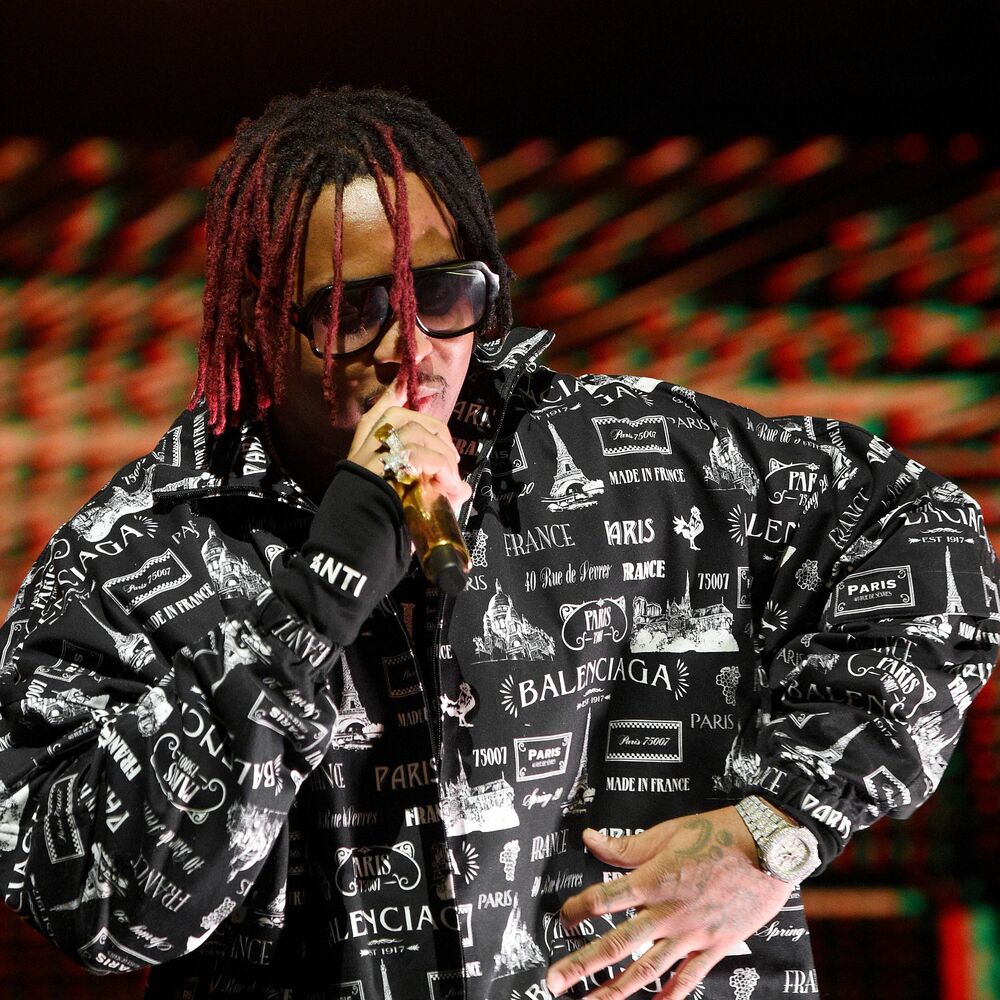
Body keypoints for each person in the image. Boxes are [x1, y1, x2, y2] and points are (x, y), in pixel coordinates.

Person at [0, 87, 996, 1000]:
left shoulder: (632, 461)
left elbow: (924, 534)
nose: (411, 347)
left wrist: (776, 828)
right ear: (261, 322)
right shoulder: (136, 558)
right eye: (352, 311)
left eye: (441, 295)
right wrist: (314, 601)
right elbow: (102, 913)